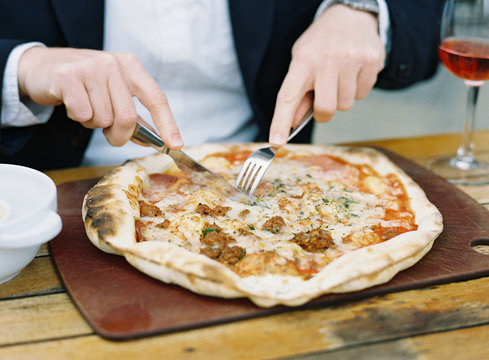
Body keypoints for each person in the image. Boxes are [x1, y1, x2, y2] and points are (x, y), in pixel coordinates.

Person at [0, 0, 443, 170]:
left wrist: (362, 10)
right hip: (47, 194)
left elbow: (422, 16)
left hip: (272, 184)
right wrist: (22, 66)